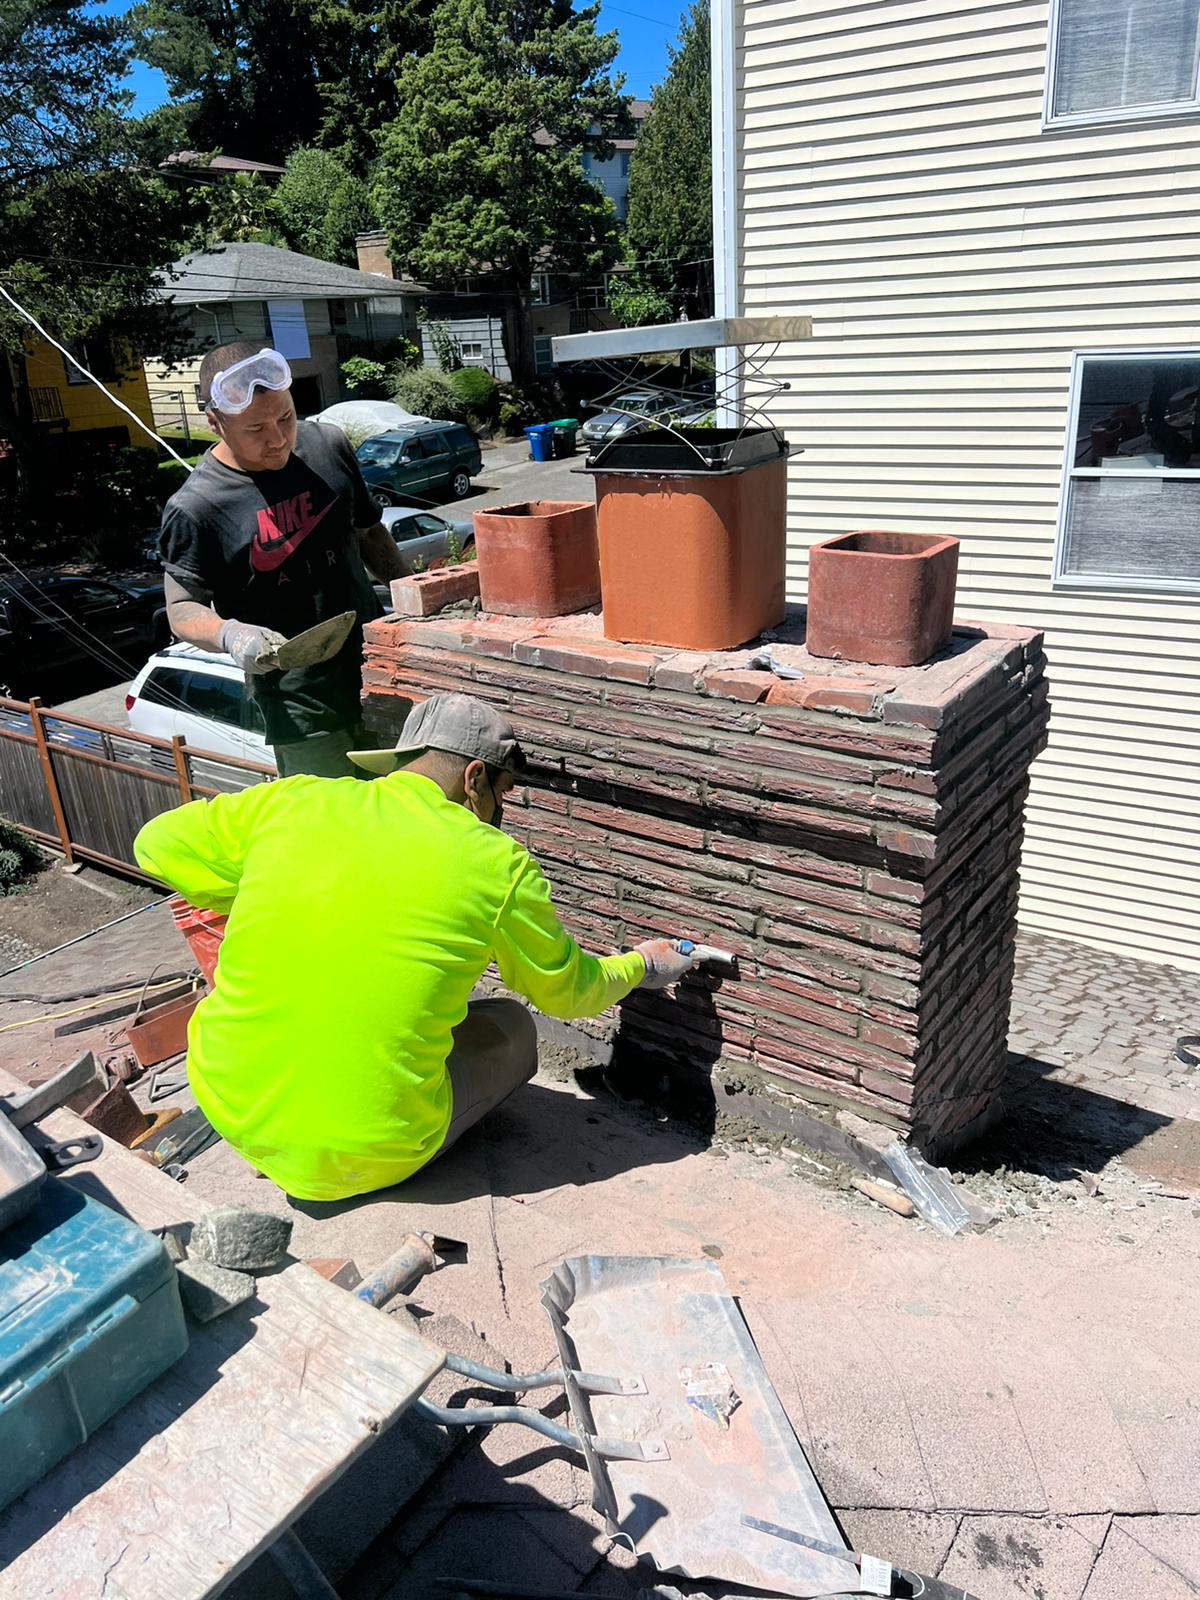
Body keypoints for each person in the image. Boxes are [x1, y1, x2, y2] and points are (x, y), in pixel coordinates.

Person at [133, 693, 697, 1203]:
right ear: (474, 778)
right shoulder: (495, 864)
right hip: (369, 1153)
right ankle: (363, 1148)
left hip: (228, 1103)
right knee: (511, 1024)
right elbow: (568, 993)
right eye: (503, 795)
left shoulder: (295, 802)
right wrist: (644, 964)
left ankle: (275, 1144)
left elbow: (155, 845)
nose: (501, 812)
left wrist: (259, 880)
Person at [158, 341, 408, 778]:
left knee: (406, 813)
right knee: (333, 830)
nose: (277, 440)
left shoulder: (328, 446)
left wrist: (412, 596)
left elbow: (368, 533)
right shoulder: (196, 507)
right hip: (300, 706)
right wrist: (230, 635)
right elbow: (181, 610)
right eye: (255, 430)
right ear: (216, 423)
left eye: (286, 417)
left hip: (381, 673)